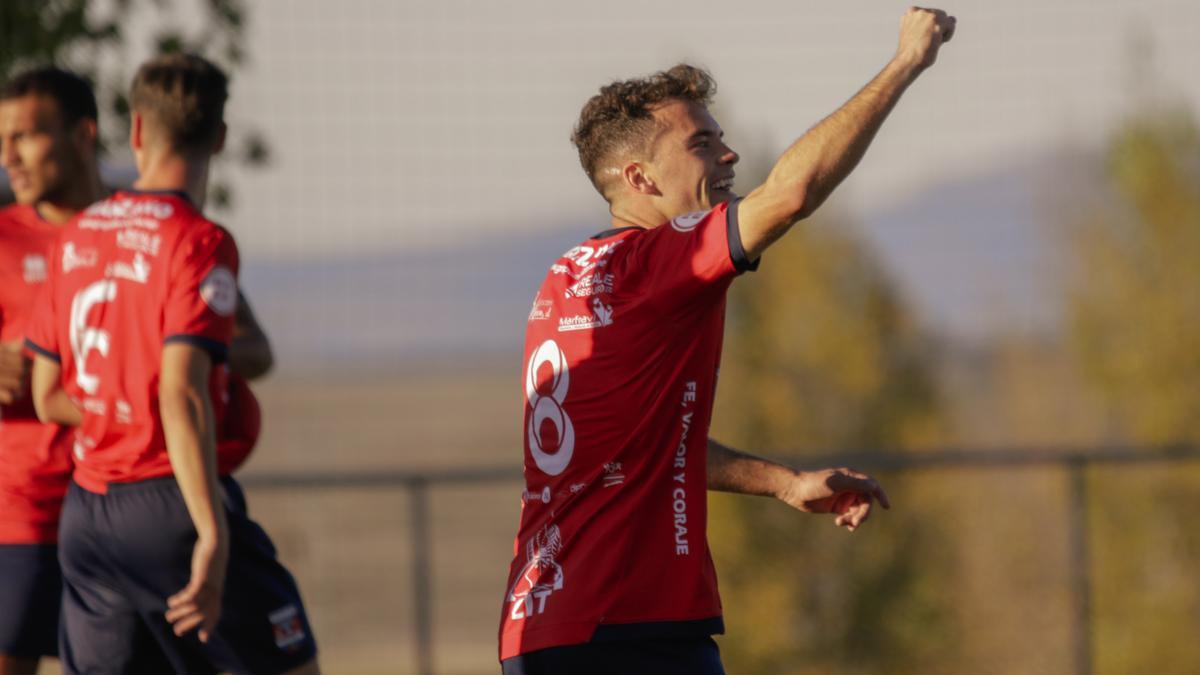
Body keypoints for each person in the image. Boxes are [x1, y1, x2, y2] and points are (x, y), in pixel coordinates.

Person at [499, 8, 955, 674]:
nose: (728, 153)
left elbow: (650, 439)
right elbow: (791, 194)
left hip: (561, 624)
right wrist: (906, 62)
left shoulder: (567, 279)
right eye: (702, 143)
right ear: (639, 179)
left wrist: (784, 482)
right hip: (619, 630)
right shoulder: (657, 267)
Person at [26, 53, 318, 674]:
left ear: (135, 131)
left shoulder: (78, 235)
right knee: (292, 663)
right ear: (219, 136)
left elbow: (49, 395)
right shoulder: (198, 241)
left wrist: (123, 398)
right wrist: (211, 532)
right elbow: (180, 396)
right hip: (170, 504)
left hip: (87, 517)